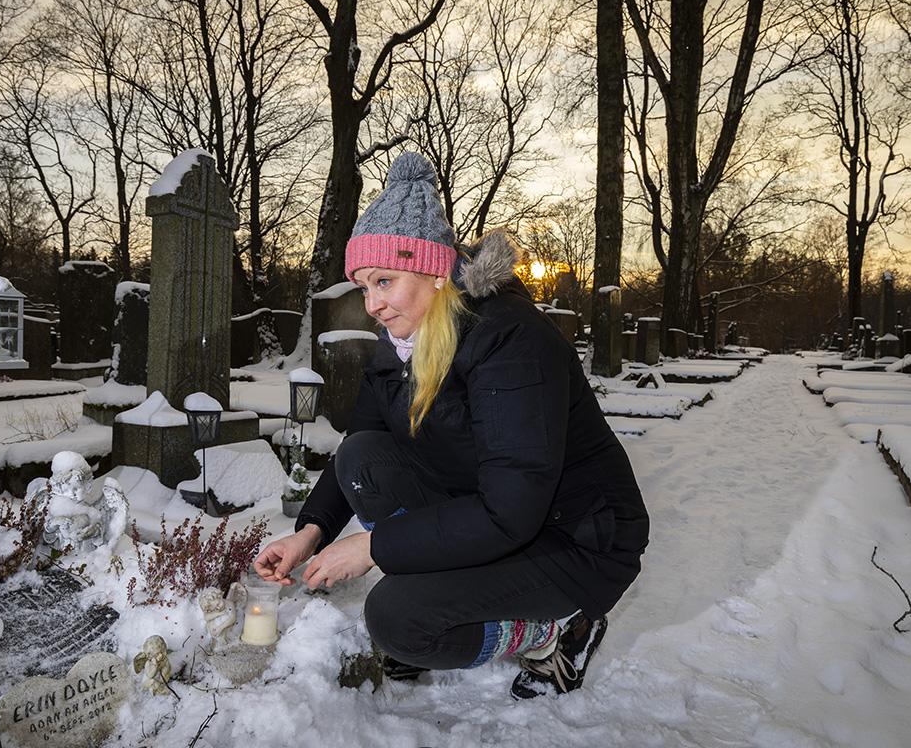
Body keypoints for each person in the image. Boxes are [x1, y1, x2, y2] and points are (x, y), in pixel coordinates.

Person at [253, 152, 649, 699]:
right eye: (364, 287)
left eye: (384, 281)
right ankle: (452, 583)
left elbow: (512, 508)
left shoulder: (510, 341)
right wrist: (311, 530)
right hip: (496, 510)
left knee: (397, 620)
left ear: (436, 272)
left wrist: (375, 547)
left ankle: (561, 626)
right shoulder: (402, 344)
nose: (372, 304)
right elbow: (357, 446)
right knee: (362, 457)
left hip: (576, 535)